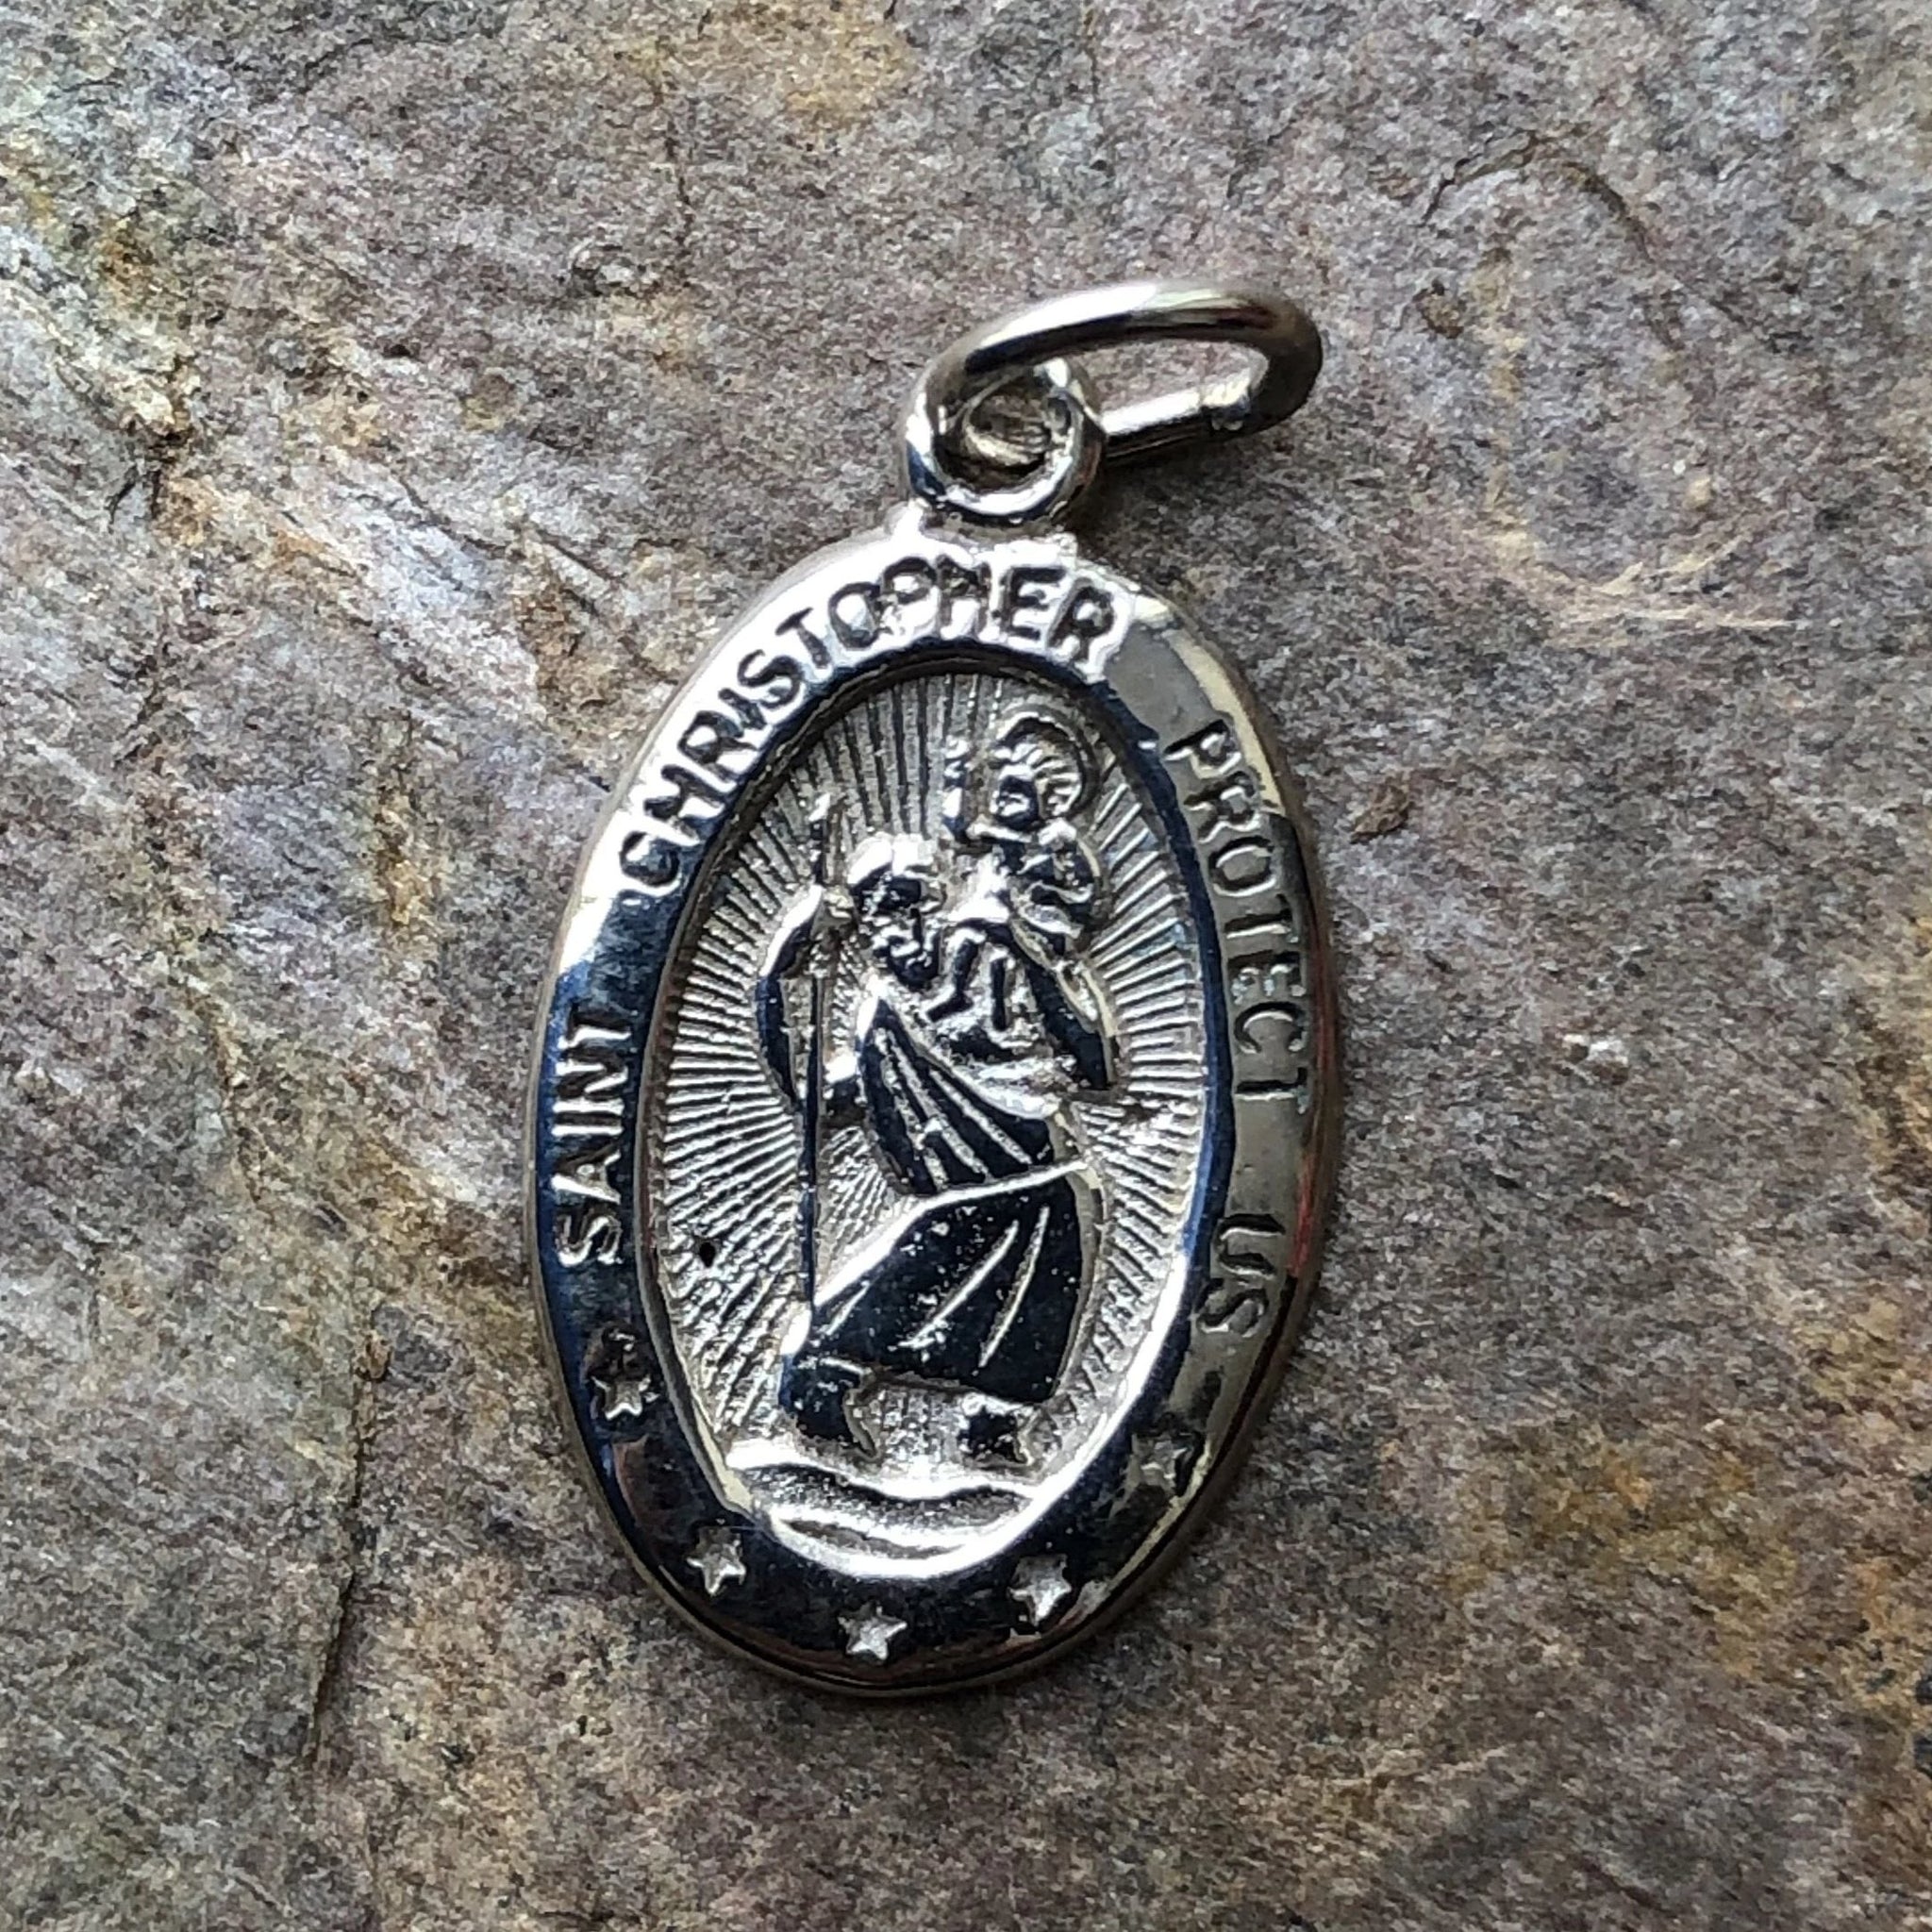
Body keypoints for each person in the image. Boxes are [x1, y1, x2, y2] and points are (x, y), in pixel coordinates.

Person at [756, 708, 1119, 1456]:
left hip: (1042, 1178)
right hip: (968, 1199)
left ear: (938, 908)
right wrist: (784, 964)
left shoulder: (996, 959)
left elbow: (1097, 1065)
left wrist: (1032, 958)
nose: (897, 933)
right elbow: (817, 1101)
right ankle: (821, 1385)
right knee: (883, 1300)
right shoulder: (884, 1021)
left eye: (911, 909)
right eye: (879, 919)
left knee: (1042, 1284)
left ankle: (995, 1428)